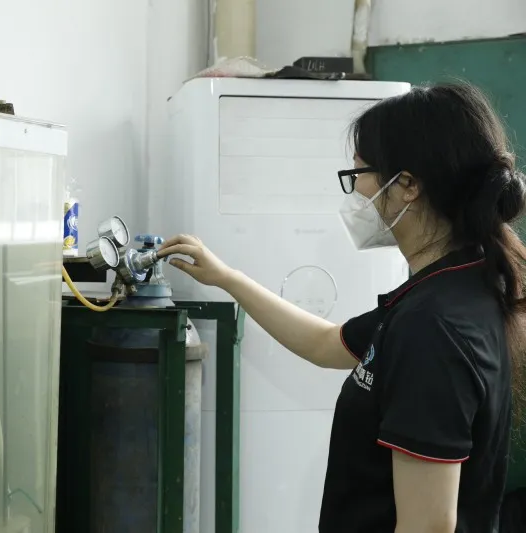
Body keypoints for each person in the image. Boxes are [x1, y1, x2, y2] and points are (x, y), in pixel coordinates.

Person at [158, 82, 526, 533]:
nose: (355, 192)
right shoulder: (452, 286)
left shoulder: (433, 327)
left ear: (407, 185)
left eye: (359, 173)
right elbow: (326, 343)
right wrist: (227, 278)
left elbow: (427, 525)